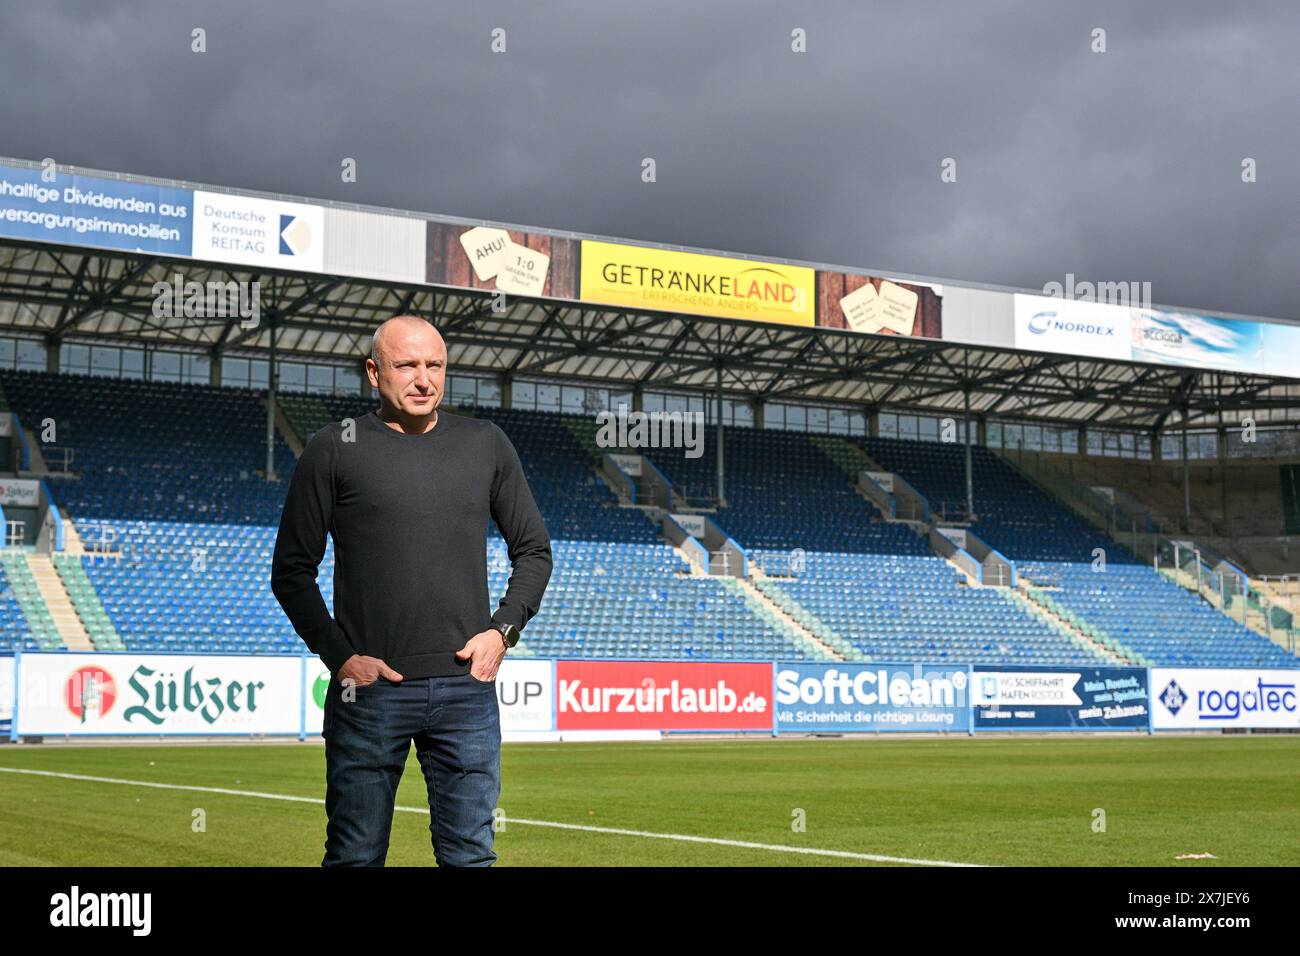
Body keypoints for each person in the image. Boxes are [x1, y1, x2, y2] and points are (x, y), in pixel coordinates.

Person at [271, 314, 552, 866]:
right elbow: (291, 570)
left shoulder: (485, 443)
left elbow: (534, 551)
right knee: (355, 856)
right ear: (375, 372)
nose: (424, 379)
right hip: (369, 694)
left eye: (435, 365)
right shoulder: (335, 447)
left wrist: (503, 631)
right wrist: (341, 658)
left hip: (465, 692)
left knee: (470, 857)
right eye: (407, 365)